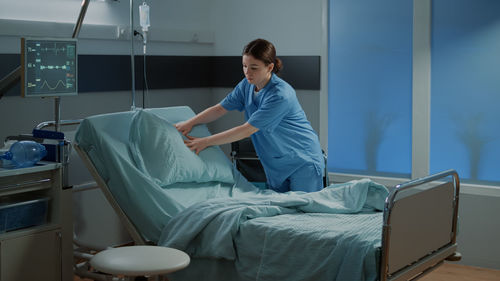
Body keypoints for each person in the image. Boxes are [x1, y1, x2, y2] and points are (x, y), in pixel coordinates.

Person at [175, 38, 324, 193]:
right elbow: (220, 108)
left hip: (303, 161)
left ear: (270, 67)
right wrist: (190, 123)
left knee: (305, 213)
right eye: (244, 66)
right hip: (276, 165)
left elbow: (247, 130)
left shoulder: (280, 95)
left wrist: (206, 141)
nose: (247, 72)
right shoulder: (247, 85)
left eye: (254, 67)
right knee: (283, 213)